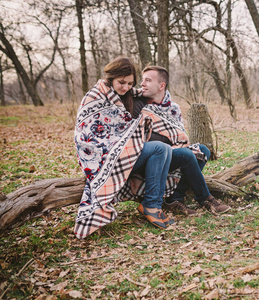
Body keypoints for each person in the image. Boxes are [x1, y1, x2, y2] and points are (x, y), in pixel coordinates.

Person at [73, 57, 173, 239]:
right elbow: (85, 136)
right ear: (111, 77)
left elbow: (145, 102)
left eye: (129, 83)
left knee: (164, 149)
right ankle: (151, 205)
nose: (125, 87)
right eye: (121, 82)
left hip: (123, 154)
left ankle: (153, 206)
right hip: (103, 161)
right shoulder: (95, 97)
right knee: (159, 148)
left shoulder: (127, 96)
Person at [132, 65, 231, 216]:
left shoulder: (173, 108)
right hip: (151, 160)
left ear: (161, 85)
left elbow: (180, 136)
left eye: (148, 80)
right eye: (142, 80)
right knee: (185, 154)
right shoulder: (140, 107)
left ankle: (174, 199)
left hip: (172, 154)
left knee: (203, 150)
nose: (142, 84)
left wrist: (175, 148)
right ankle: (205, 198)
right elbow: (138, 141)